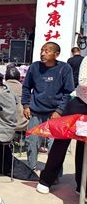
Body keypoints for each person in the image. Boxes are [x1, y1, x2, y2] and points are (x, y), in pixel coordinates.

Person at [22, 42, 74, 172]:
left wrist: (59, 110)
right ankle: (31, 168)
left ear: (56, 54)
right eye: (42, 50)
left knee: (54, 145)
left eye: (47, 51)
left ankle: (53, 174)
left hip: (55, 114)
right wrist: (26, 105)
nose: (43, 53)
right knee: (31, 141)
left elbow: (68, 92)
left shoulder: (64, 68)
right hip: (35, 111)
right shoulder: (34, 67)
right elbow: (26, 87)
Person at [38, 55, 87, 195]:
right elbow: (83, 82)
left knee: (84, 148)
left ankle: (82, 185)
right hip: (80, 103)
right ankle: (47, 179)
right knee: (61, 142)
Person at [4, 66, 29, 132]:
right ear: (19, 77)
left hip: (4, 126)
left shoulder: (0, 88)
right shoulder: (25, 89)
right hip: (23, 125)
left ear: (5, 77)